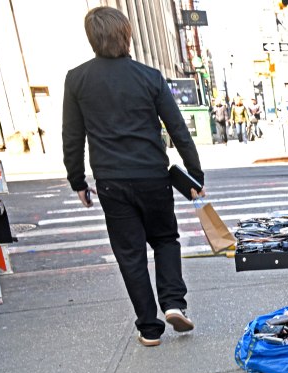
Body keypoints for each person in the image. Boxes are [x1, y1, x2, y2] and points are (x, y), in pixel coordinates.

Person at [63, 6, 203, 346]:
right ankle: (173, 302)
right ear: (127, 34)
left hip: (111, 180)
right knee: (166, 239)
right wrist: (194, 173)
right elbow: (177, 129)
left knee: (130, 254)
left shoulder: (77, 79)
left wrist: (77, 180)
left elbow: (72, 135)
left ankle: (149, 328)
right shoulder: (149, 77)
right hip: (153, 176)